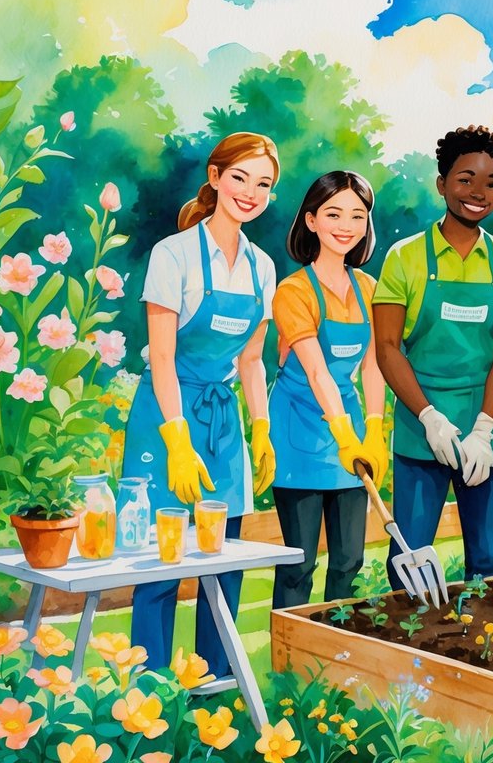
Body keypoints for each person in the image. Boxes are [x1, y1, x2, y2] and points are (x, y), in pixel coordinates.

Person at [122, 132, 279, 675]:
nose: (250, 193)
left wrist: (261, 429)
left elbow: (252, 361)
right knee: (160, 562)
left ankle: (216, 683)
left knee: (222, 560)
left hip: (221, 421)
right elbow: (163, 357)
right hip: (164, 416)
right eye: (239, 178)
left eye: (263, 184)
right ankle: (146, 690)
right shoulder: (174, 255)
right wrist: (177, 440)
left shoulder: (262, 267)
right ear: (215, 177)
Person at [372, 126, 493, 586]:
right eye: (465, 179)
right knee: (410, 563)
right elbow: (387, 348)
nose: (479, 193)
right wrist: (429, 417)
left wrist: (483, 430)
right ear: (442, 183)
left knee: (487, 567)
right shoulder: (404, 258)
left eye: (492, 183)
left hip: (486, 428)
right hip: (421, 430)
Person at [268, 171, 387, 609]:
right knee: (298, 563)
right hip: (299, 426)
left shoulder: (369, 289)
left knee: (349, 560)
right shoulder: (293, 291)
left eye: (357, 216)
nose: (346, 226)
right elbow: (317, 373)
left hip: (349, 421)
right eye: (334, 214)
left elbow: (373, 365)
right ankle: (289, 645)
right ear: (311, 221)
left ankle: (338, 640)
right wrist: (342, 433)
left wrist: (373, 430)